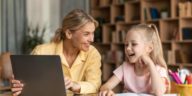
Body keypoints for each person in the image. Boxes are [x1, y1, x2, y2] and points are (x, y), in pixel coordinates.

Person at [11, 9, 102, 96]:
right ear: (69, 33)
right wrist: (19, 85)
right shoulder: (42, 52)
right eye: (86, 34)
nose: (92, 39)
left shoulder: (92, 54)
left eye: (92, 33)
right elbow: (28, 83)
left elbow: (95, 85)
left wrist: (75, 85)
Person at [99, 24, 170, 96]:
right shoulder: (125, 67)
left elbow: (159, 92)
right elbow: (105, 87)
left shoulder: (159, 70)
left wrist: (150, 64)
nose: (128, 48)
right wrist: (106, 91)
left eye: (134, 44)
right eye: (126, 44)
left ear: (149, 48)